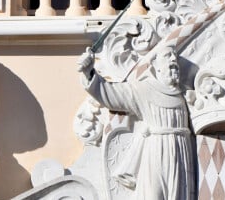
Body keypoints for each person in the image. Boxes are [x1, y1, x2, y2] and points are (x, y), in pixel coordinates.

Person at [77, 44, 195, 199]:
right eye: (167, 56)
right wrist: (89, 72)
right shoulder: (145, 89)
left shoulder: (184, 94)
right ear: (156, 65)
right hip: (156, 151)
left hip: (181, 152)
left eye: (175, 57)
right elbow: (113, 94)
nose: (174, 59)